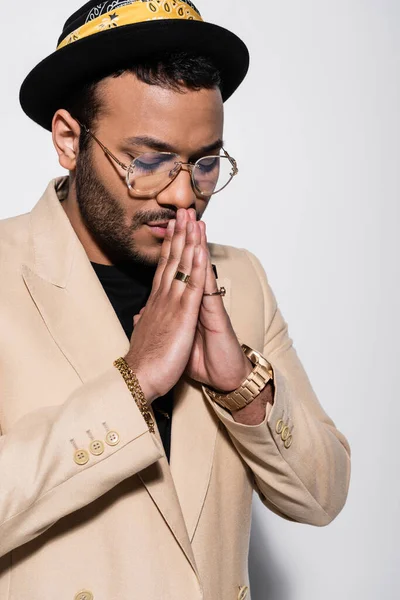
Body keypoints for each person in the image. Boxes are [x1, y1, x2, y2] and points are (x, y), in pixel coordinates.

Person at [0, 1, 351, 599]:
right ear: (68, 139)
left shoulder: (240, 279)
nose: (184, 194)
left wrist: (241, 386)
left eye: (205, 163)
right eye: (150, 160)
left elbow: (322, 498)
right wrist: (132, 386)